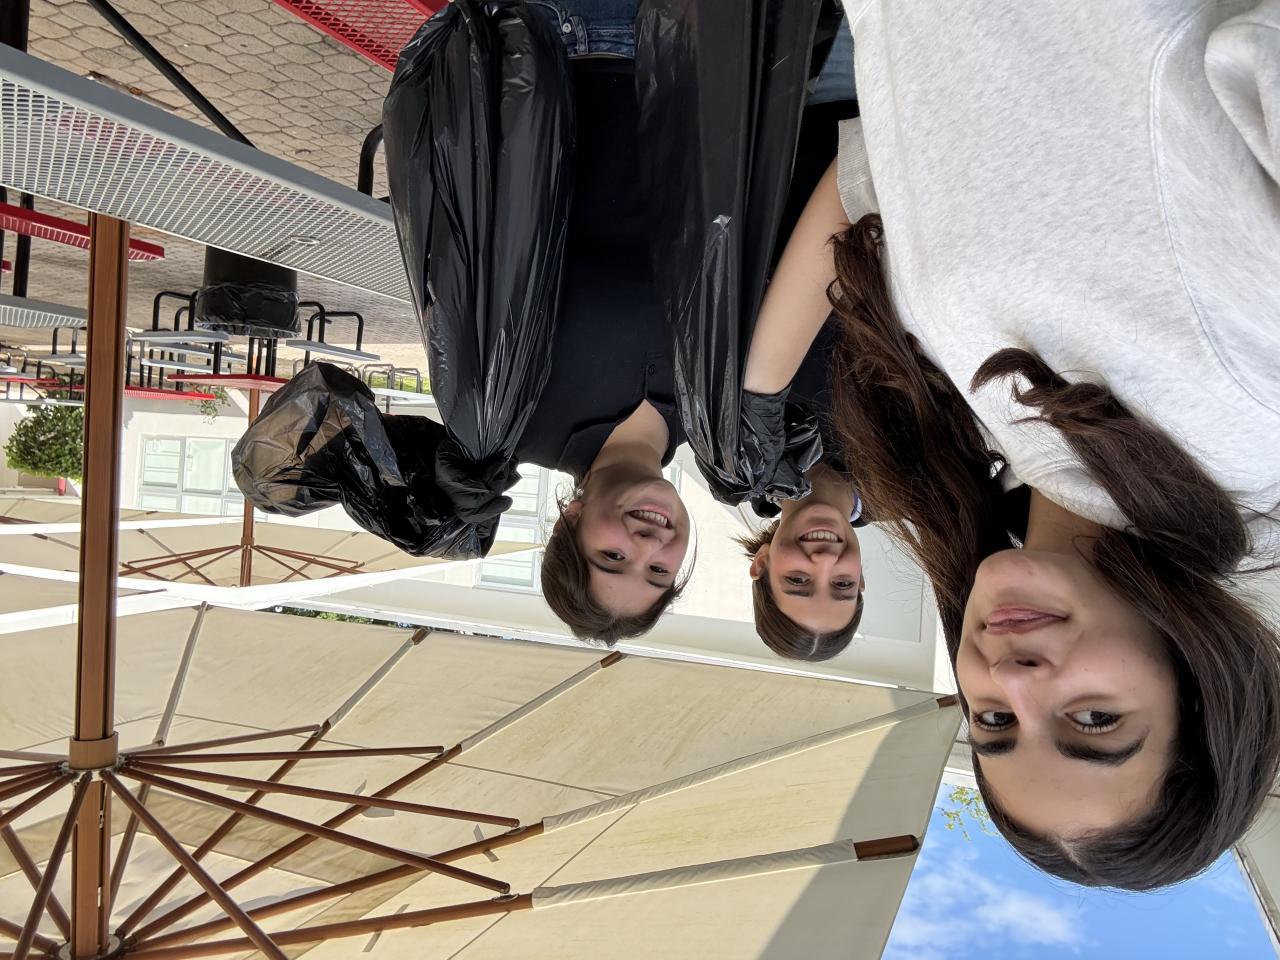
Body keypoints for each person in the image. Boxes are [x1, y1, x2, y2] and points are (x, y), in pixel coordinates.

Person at [758, 1, 1280, 890]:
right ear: (1199, 682)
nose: (1017, 680)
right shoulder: (1246, 405)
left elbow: (875, 169)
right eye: (1095, 721)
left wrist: (756, 387)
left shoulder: (994, 441)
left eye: (994, 723)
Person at [510, 0, 692, 643]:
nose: (648, 546)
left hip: (583, 40)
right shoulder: (716, 426)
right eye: (659, 572)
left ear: (569, 522)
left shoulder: (519, 423)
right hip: (710, 68)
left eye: (613, 557)